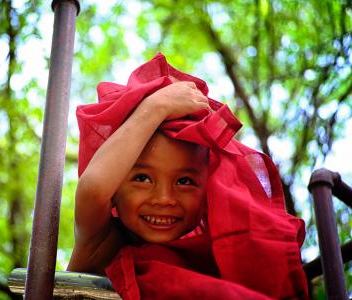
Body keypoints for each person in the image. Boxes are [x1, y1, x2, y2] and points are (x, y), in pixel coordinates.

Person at [68, 53, 309, 299]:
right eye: (142, 179)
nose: (164, 198)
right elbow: (93, 189)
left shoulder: (214, 254)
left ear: (208, 192)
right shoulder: (102, 239)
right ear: (115, 187)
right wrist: (155, 108)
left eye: (184, 181)